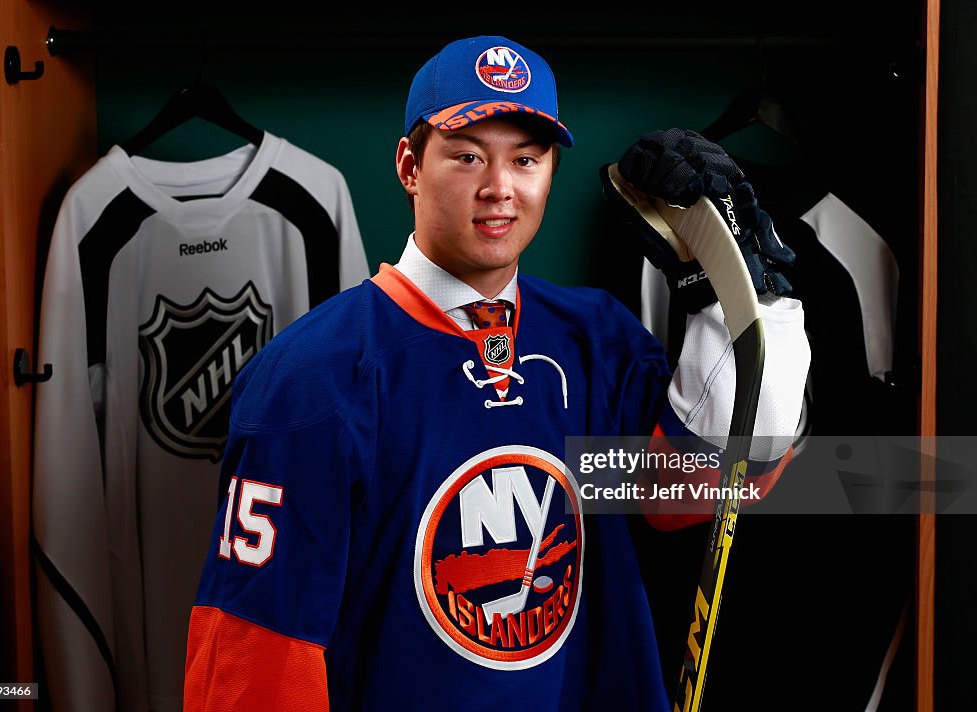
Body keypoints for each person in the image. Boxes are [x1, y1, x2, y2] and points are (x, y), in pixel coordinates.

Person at [182, 35, 809, 711]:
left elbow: (692, 492)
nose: (499, 188)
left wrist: (740, 299)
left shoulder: (594, 341)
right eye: (467, 155)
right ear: (409, 165)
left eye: (527, 158)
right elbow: (261, 653)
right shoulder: (314, 377)